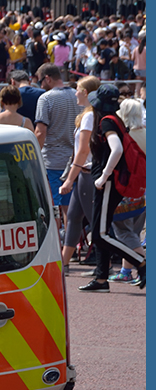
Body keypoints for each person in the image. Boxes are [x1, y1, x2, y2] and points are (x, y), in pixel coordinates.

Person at [79, 83, 145, 291]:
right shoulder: (115, 120)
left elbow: (116, 149)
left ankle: (142, 263)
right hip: (107, 180)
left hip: (108, 182)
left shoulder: (107, 122)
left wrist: (103, 175)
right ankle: (101, 279)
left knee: (100, 234)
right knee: (101, 232)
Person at [58, 75, 100, 267]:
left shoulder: (90, 116)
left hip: (87, 174)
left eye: (77, 89)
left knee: (95, 223)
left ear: (85, 93)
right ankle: (63, 264)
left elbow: (83, 151)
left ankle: (103, 268)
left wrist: (68, 179)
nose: (75, 93)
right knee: (74, 218)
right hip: (85, 174)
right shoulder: (89, 114)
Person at [34, 63, 78, 230]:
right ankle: (73, 243)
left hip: (53, 160)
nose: (40, 85)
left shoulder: (45, 98)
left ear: (47, 78)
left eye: (40, 81)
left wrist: (34, 155)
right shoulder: (76, 95)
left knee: (56, 209)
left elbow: (40, 131)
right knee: (72, 208)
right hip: (75, 160)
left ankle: (60, 245)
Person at [108, 98, 146, 282]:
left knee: (123, 232)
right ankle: (126, 271)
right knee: (133, 234)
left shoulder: (124, 136)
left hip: (124, 190)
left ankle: (144, 266)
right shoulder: (146, 133)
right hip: (142, 190)